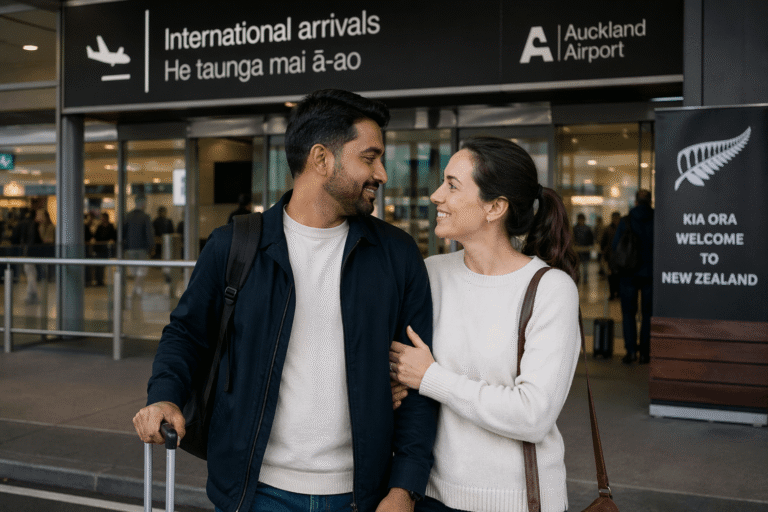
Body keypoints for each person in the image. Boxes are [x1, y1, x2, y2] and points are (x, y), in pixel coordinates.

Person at [133, 89, 437, 512]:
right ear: (321, 158)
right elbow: (186, 333)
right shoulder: (234, 246)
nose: (382, 173)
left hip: (362, 495)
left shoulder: (397, 255)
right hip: (257, 491)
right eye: (369, 158)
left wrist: (404, 488)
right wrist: (164, 395)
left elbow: (419, 384)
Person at [389, 136, 581, 512]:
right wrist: (395, 378)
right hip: (431, 497)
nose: (436, 196)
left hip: (519, 503)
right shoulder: (429, 274)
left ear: (495, 207)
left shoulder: (550, 289)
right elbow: (403, 369)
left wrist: (430, 378)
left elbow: (533, 414)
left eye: (452, 185)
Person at [613, 190, 654, 365]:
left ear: (636, 202)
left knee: (628, 313)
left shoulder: (626, 220)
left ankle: (630, 352)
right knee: (648, 314)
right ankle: (645, 353)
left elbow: (616, 246)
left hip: (628, 274)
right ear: (650, 201)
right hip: (650, 274)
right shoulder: (657, 220)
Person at [123, 195, 154, 296]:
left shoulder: (128, 216)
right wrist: (151, 247)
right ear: (143, 203)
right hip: (142, 248)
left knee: (135, 270)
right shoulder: (145, 217)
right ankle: (137, 288)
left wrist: (124, 246)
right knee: (142, 270)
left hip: (130, 248)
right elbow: (149, 233)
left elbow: (123, 232)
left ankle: (137, 289)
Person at [16, 210, 41, 304]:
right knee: (31, 273)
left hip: (26, 253)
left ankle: (32, 294)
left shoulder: (22, 224)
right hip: (31, 253)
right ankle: (32, 294)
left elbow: (16, 237)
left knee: (30, 273)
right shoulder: (34, 225)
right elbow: (36, 240)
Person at [600, 211, 621, 300]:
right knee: (611, 276)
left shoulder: (622, 229)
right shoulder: (608, 229)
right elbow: (603, 243)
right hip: (611, 257)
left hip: (620, 257)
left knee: (618, 276)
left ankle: (618, 293)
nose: (616, 220)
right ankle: (612, 293)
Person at [92, 212, 117, 286]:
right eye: (102, 218)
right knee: (99, 265)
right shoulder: (99, 227)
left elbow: (114, 236)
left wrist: (111, 241)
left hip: (107, 248)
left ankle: (102, 280)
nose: (102, 219)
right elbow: (96, 236)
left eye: (103, 217)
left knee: (103, 265)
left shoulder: (111, 226)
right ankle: (99, 280)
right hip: (99, 248)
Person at [572, 212, 593, 284]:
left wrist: (590, 246)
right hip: (577, 251)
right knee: (578, 268)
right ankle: (579, 279)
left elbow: (591, 239)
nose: (581, 221)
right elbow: (573, 238)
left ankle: (585, 280)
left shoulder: (587, 228)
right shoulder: (575, 228)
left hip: (585, 250)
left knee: (585, 268)